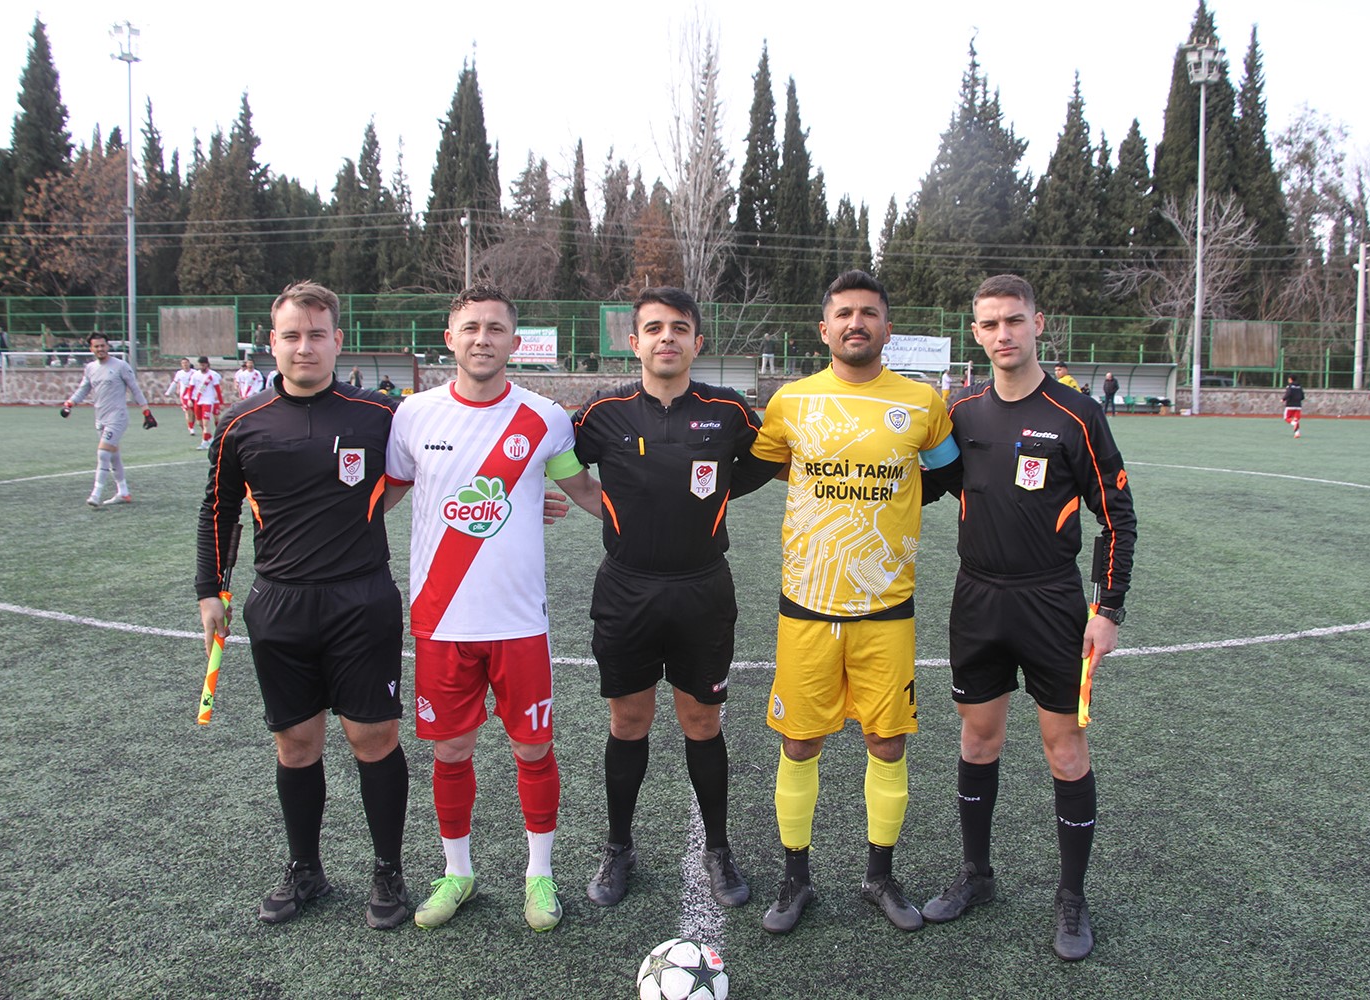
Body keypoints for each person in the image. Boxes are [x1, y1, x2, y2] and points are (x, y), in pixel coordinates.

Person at [920, 274, 1135, 962]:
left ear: (1039, 323)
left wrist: (1108, 609)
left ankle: (1071, 896)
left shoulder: (1076, 414)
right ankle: (976, 876)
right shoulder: (961, 412)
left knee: (1064, 748)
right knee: (978, 739)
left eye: (1014, 320)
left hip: (1051, 602)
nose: (1003, 334)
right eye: (989, 324)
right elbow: (927, 486)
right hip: (977, 599)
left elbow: (1117, 516)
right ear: (975, 334)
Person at [383, 284, 603, 934]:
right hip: (441, 621)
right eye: (471, 327)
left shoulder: (545, 418)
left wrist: (665, 519)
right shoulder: (413, 416)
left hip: (519, 622)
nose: (483, 338)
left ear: (515, 341)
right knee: (451, 752)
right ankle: (458, 872)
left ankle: (539, 875)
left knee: (533, 749)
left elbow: (584, 491)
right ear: (450, 338)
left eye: (496, 328)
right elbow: (384, 497)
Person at [750, 270, 961, 935]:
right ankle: (795, 879)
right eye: (843, 313)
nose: (856, 323)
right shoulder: (792, 401)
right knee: (799, 741)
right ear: (825, 329)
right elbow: (769, 464)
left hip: (886, 608)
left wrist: (896, 503)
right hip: (807, 604)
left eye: (868, 313)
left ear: (887, 328)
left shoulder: (923, 402)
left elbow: (948, 474)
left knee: (887, 741)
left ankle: (879, 876)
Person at [195, 281, 411, 930]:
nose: (304, 346)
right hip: (279, 604)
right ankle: (305, 868)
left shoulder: (380, 414)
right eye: (292, 335)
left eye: (317, 334)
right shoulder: (242, 422)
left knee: (373, 737)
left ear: (337, 341)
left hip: (362, 599)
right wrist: (210, 589)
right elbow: (217, 509)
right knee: (295, 743)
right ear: (273, 343)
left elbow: (443, 462)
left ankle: (388, 870)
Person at [570, 287, 780, 912]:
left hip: (701, 590)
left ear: (697, 342)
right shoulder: (602, 411)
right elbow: (560, 462)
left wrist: (715, 494)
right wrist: (600, 507)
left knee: (703, 722)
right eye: (655, 328)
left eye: (680, 328)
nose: (668, 337)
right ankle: (619, 848)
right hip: (625, 589)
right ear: (634, 342)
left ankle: (717, 848)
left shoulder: (729, 410)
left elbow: (763, 462)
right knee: (628, 722)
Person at [61, 331, 156, 506]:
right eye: (96, 346)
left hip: (117, 417)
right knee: (113, 456)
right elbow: (84, 388)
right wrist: (70, 403)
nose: (100, 349)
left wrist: (146, 410)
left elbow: (135, 388)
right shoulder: (90, 368)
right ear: (91, 349)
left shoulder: (120, 366)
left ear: (108, 346)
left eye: (103, 345)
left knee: (103, 453)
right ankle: (123, 492)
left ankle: (96, 494)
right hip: (100, 417)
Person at [189, 356, 225, 450]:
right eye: (200, 365)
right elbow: (191, 387)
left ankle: (204, 442)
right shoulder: (195, 375)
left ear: (207, 364)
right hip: (198, 400)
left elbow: (218, 389)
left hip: (208, 401)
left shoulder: (212, 375)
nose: (202, 366)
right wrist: (190, 399)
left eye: (203, 365)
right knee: (200, 423)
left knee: (206, 423)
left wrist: (221, 402)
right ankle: (210, 439)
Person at [168, 357, 198, 436]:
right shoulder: (179, 373)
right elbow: (175, 382)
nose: (185, 364)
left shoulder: (195, 373)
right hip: (184, 395)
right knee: (188, 411)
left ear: (189, 363)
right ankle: (191, 428)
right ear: (181, 365)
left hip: (194, 395)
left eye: (186, 363)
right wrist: (168, 392)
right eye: (183, 363)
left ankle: (192, 425)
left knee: (194, 412)